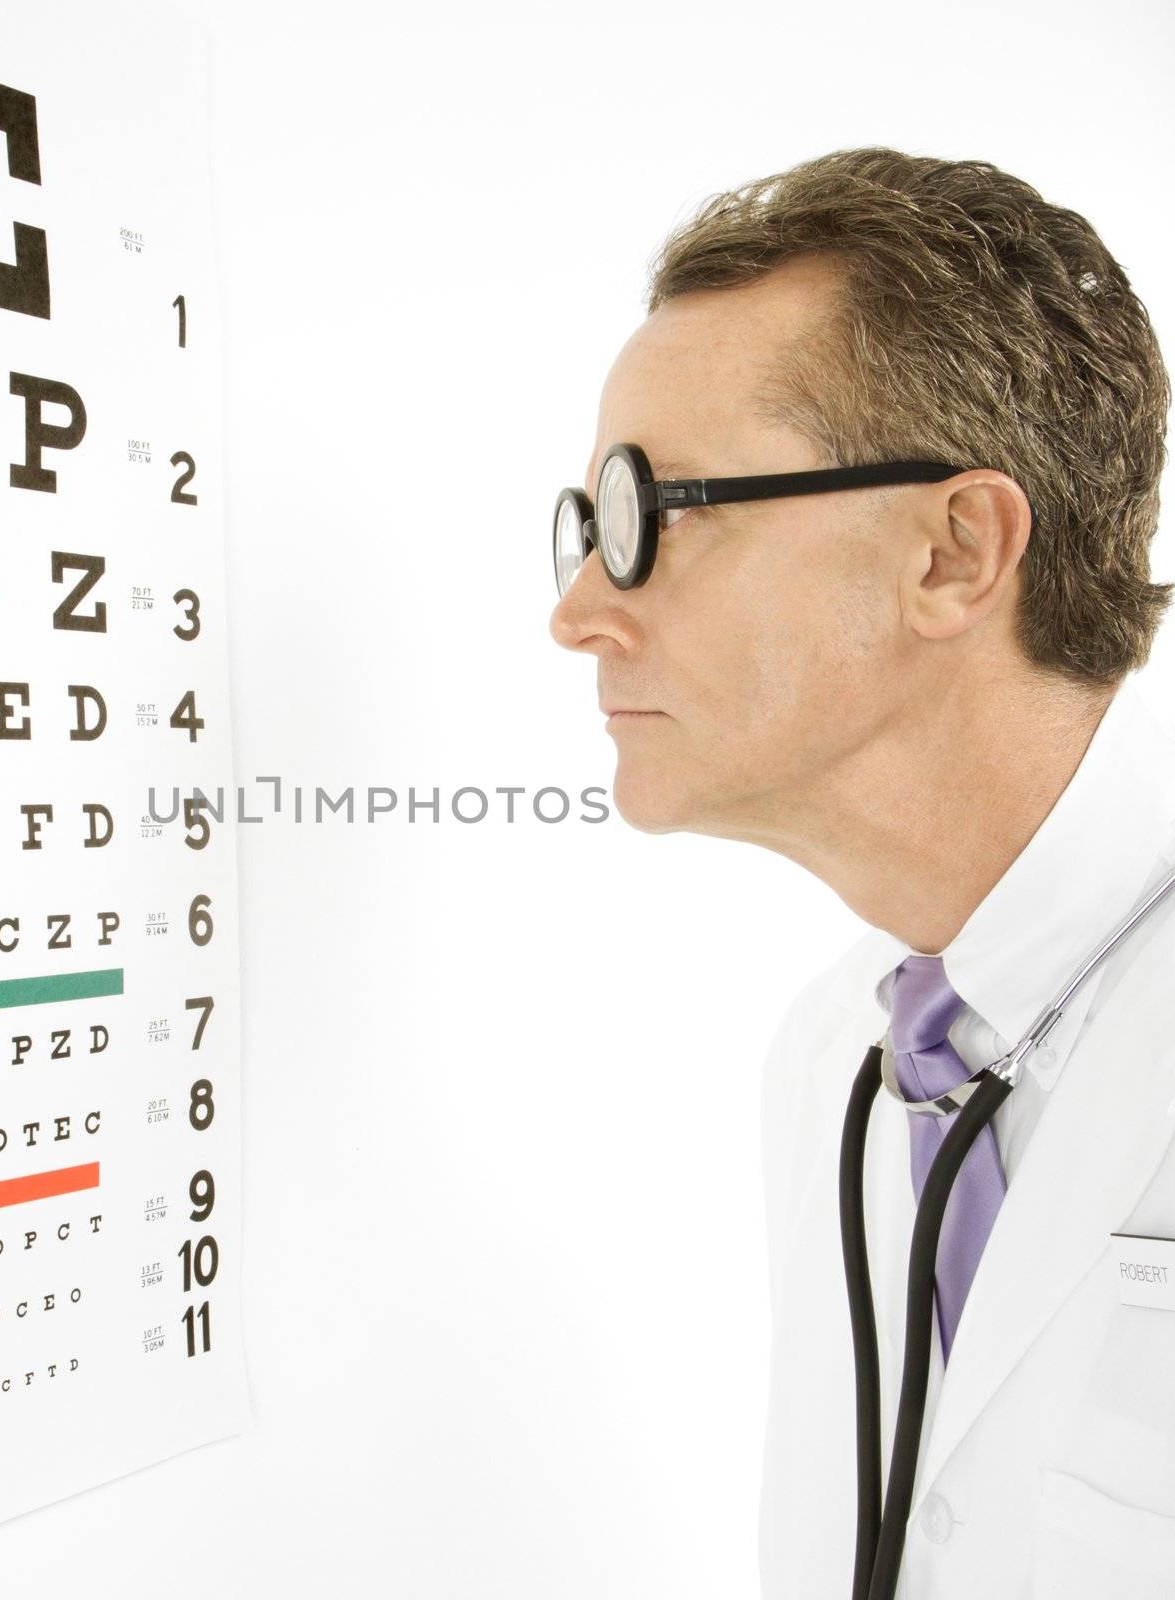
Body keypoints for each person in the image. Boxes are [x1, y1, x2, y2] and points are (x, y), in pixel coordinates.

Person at [548, 146, 1175, 1597]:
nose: (578, 611)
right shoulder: (839, 1063)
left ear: (956, 553)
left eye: (647, 515)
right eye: (585, 528)